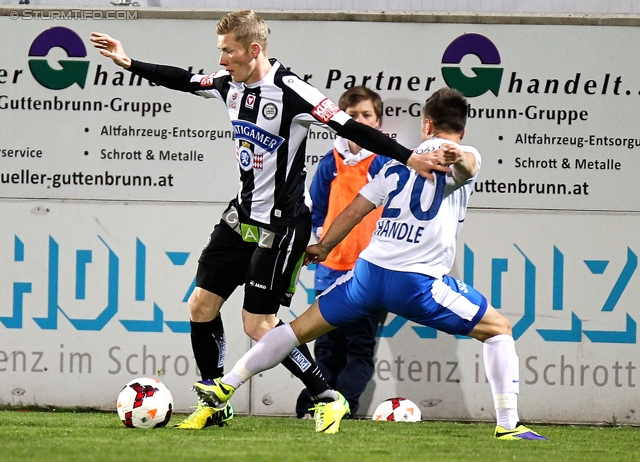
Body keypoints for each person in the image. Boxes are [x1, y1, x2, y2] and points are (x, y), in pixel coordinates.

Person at [90, 10, 447, 431]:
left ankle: (325, 396)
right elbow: (185, 80)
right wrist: (129, 62)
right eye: (220, 52)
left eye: (229, 52)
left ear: (254, 50)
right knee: (201, 305)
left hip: (281, 227)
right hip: (239, 217)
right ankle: (214, 399)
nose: (221, 61)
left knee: (259, 325)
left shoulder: (292, 91)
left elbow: (351, 126)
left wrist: (409, 157)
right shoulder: (228, 86)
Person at [193, 88, 549, 440]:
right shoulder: (458, 153)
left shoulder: (400, 159)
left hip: (366, 275)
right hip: (416, 283)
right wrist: (458, 155)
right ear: (462, 129)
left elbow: (358, 207)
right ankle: (508, 425)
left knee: (295, 331)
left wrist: (324, 246)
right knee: (498, 329)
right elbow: (468, 166)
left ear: (426, 124)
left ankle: (227, 384)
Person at [296, 86, 387, 419]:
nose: (359, 121)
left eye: (366, 115)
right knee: (326, 349)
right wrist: (321, 237)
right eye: (353, 115)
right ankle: (313, 407)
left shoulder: (385, 163)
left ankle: (342, 409)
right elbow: (316, 209)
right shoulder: (329, 162)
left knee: (359, 349)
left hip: (369, 274)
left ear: (378, 123)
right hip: (330, 271)